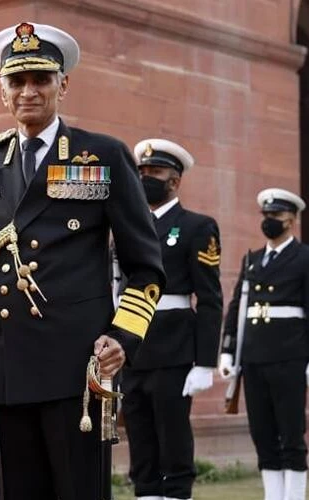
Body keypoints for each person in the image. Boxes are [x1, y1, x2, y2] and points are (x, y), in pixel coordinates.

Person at [0, 21, 165, 499]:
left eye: (41, 80)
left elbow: (145, 265)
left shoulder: (100, 155)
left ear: (62, 84)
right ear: (2, 91)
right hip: (4, 365)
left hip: (75, 363)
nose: (29, 91)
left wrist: (123, 337)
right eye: (17, 81)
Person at [121, 139, 223, 500]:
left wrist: (205, 362)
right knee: (140, 438)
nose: (147, 178)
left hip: (174, 346)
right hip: (131, 344)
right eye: (142, 172)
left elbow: (210, 299)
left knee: (173, 438)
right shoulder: (128, 227)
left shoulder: (197, 226)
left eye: (155, 173)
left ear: (174, 181)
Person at [220, 188, 309, 500]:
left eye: (277, 216)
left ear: (293, 219)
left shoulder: (304, 258)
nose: (271, 221)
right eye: (267, 216)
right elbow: (237, 309)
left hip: (290, 358)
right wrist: (228, 349)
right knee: (263, 434)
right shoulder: (252, 260)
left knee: (292, 434)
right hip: (254, 359)